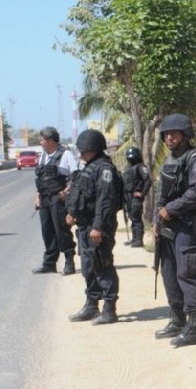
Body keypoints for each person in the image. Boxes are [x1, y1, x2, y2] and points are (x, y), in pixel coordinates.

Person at [153, 113, 196, 348]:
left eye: (174, 134)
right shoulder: (169, 160)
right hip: (168, 226)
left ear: (186, 135)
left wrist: (171, 209)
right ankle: (177, 320)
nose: (170, 138)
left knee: (187, 274)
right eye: (166, 134)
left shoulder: (195, 160)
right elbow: (161, 193)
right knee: (169, 274)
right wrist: (157, 221)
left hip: (186, 226)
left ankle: (194, 327)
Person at [64, 129, 122, 325]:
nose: (81, 154)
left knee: (102, 265)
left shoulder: (104, 169)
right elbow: (80, 193)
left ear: (94, 149)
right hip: (85, 225)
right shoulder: (88, 167)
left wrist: (98, 227)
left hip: (99, 226)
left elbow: (105, 201)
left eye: (84, 150)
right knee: (88, 268)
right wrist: (72, 213)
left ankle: (109, 309)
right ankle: (91, 305)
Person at [33, 126, 78, 275]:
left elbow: (76, 177)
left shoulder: (65, 155)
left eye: (43, 140)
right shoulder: (43, 156)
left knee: (62, 230)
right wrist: (37, 196)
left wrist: (66, 192)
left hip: (58, 199)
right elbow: (40, 178)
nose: (40, 142)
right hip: (45, 198)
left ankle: (69, 262)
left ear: (51, 141)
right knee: (47, 231)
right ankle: (49, 263)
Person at [122, 146, 151, 247]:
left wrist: (142, 193)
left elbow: (148, 181)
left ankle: (139, 240)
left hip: (135, 197)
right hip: (127, 197)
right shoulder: (127, 168)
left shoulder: (140, 167)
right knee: (132, 217)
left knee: (136, 217)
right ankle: (134, 238)